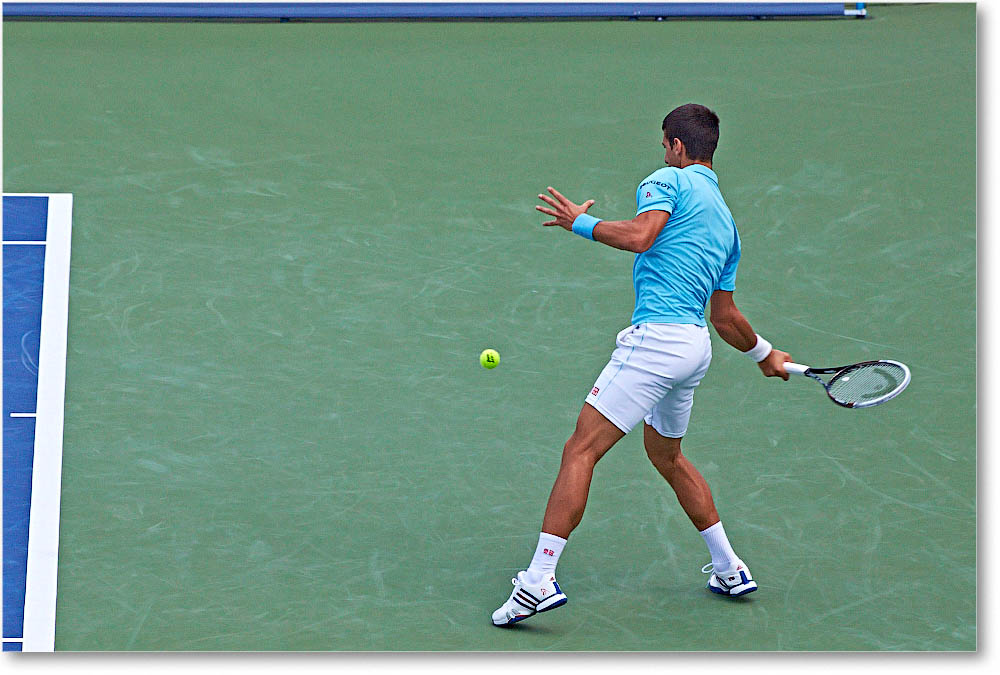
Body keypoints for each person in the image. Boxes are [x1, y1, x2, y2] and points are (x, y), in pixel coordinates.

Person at [491, 103, 792, 627]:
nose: (663, 151)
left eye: (665, 143)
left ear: (676, 146)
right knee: (667, 456)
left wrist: (578, 222)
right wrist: (764, 354)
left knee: (579, 450)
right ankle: (729, 565)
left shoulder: (667, 181)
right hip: (695, 349)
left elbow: (639, 237)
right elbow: (724, 316)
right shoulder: (727, 224)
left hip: (656, 343)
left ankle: (538, 580)